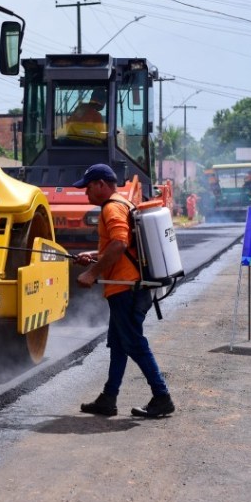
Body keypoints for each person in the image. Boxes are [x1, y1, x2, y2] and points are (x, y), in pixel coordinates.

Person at [72, 163, 175, 419]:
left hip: (126, 288)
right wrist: (94, 256)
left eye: (87, 188)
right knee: (119, 344)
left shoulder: (111, 207)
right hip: (131, 286)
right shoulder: (124, 203)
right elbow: (122, 245)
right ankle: (109, 398)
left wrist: (91, 273)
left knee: (134, 343)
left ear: (101, 185)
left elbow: (119, 244)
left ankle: (162, 396)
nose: (86, 194)